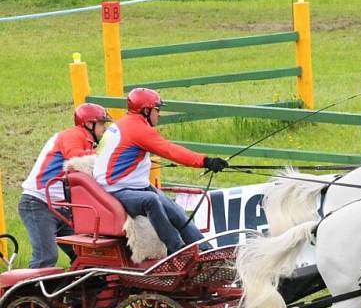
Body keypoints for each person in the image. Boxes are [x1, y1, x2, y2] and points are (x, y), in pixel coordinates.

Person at [93, 88, 229, 255]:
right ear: (146, 110)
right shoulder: (137, 129)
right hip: (115, 190)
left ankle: (207, 252)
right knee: (151, 200)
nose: (159, 114)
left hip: (135, 186)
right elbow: (170, 150)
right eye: (157, 109)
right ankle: (177, 252)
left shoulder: (126, 124)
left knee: (176, 211)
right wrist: (206, 161)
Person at [19, 103, 113, 268]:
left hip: (61, 206)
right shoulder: (73, 134)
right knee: (45, 257)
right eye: (101, 124)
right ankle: (27, 294)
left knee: (85, 255)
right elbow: (75, 158)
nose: (104, 129)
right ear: (89, 124)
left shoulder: (88, 142)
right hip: (39, 203)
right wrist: (108, 155)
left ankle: (81, 291)